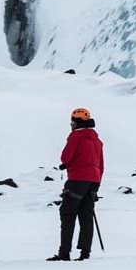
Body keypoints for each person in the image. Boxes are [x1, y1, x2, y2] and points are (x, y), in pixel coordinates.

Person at [48, 107, 103, 261]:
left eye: (71, 122)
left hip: (77, 179)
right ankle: (85, 253)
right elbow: (101, 164)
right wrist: (97, 183)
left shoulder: (75, 137)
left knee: (67, 214)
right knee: (86, 216)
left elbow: (65, 157)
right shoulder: (97, 140)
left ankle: (64, 253)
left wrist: (67, 164)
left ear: (76, 122)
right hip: (93, 181)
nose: (70, 125)